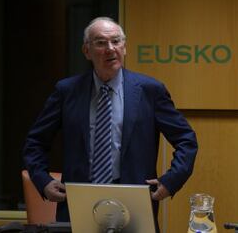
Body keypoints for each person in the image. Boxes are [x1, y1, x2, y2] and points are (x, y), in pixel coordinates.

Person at [23, 17, 198, 231]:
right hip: (79, 201)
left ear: (124, 48)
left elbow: (186, 140)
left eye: (116, 41)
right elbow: (35, 143)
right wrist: (43, 180)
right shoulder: (67, 91)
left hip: (134, 201)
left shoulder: (150, 91)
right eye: (100, 42)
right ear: (86, 51)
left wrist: (170, 181)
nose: (110, 48)